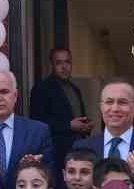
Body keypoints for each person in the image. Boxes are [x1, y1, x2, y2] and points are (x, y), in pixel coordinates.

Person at [72, 78, 134, 176]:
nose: (115, 109)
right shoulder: (82, 147)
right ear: (101, 107)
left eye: (122, 102)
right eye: (109, 102)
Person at [28, 46, 91, 174]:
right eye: (59, 63)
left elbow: (77, 117)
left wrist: (85, 126)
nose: (64, 67)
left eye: (67, 62)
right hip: (56, 154)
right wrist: (68, 125)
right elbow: (37, 122)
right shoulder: (42, 88)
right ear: (52, 65)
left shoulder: (75, 89)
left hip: (78, 151)